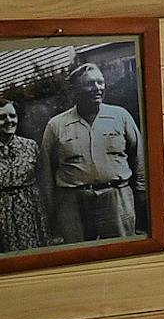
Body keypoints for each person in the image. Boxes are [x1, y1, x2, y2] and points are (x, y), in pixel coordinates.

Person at [39, 63, 148, 246]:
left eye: (100, 82)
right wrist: (51, 208)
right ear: (75, 90)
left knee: (121, 251)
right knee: (78, 254)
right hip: (73, 203)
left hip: (117, 198)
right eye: (90, 84)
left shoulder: (120, 116)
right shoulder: (56, 125)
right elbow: (46, 169)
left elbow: (139, 156)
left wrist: (141, 191)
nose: (97, 88)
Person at [0, 100, 48, 252]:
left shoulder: (30, 146)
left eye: (12, 116)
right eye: (2, 117)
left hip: (29, 209)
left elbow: (43, 178)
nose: (9, 121)